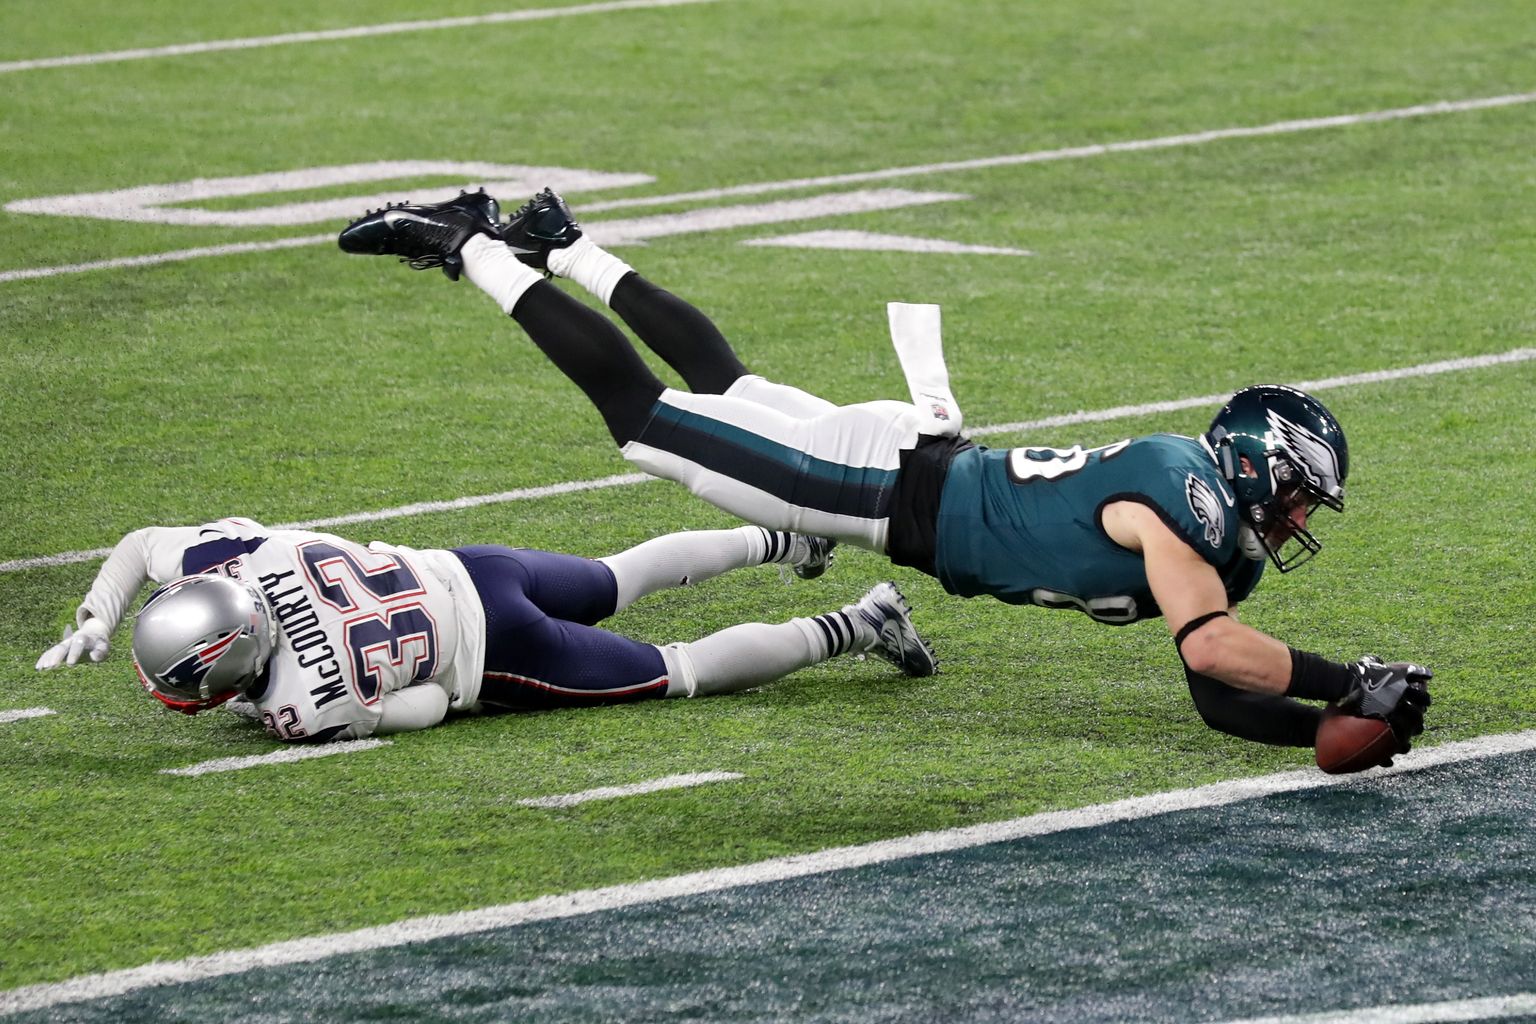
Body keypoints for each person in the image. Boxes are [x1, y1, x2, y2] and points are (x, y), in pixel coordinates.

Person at [336, 189, 1431, 768]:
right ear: (1253, 459)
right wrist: (1351, 678)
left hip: (905, 466)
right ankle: (472, 243)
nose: (1296, 515)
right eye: (1297, 488)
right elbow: (1215, 651)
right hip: (870, 487)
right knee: (644, 419)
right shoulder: (1187, 498)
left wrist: (1330, 728)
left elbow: (1217, 692)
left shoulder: (1219, 542)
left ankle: (565, 244)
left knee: (727, 384)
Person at [35, 516, 936, 743]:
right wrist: (100, 614)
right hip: (475, 568)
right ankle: (786, 537)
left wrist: (261, 706)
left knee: (681, 669)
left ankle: (861, 622)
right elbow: (142, 545)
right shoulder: (255, 553)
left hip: (501, 652)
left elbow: (429, 705)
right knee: (620, 573)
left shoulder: (305, 707)